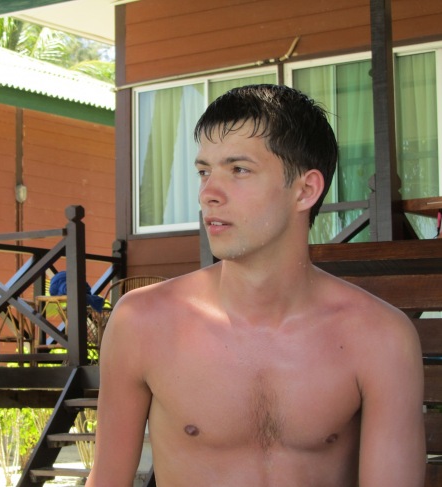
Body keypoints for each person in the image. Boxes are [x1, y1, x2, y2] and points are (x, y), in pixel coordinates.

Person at [86, 84, 425, 486]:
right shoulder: (143, 322)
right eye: (204, 172)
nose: (208, 194)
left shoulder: (380, 337)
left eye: (239, 170)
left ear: (305, 190)